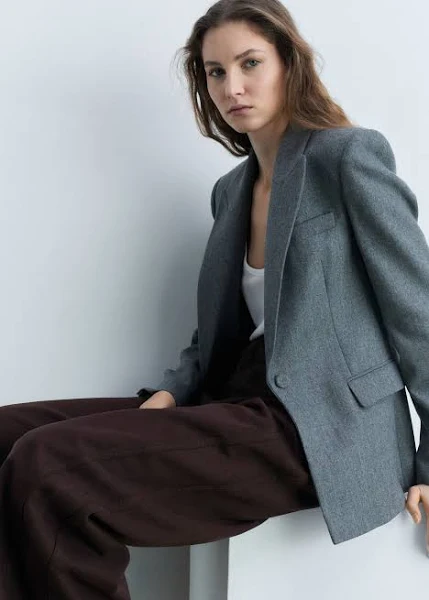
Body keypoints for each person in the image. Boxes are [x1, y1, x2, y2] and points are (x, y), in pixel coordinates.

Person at [1, 0, 429, 597]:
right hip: (234, 395)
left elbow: (417, 313)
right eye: (215, 72)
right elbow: (217, 332)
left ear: (289, 63)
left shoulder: (347, 156)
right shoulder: (230, 192)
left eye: (250, 63)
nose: (233, 87)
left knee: (50, 465)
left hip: (317, 424)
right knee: (7, 434)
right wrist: (175, 390)